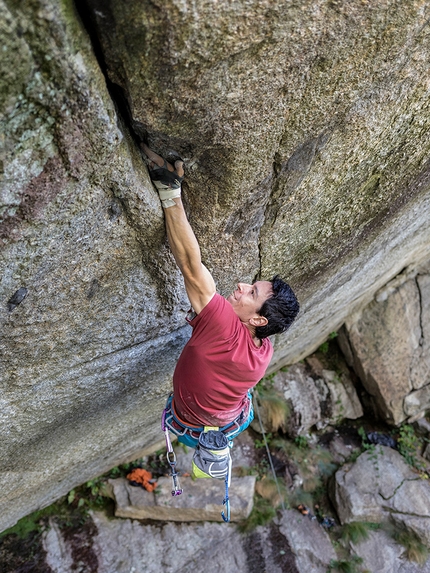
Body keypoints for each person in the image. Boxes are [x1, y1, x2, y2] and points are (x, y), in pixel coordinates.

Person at [141, 143, 300, 448]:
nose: (240, 285)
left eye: (251, 292)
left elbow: (190, 264)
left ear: (258, 318)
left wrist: (170, 194)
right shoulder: (263, 348)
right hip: (228, 418)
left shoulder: (223, 327)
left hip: (188, 421)